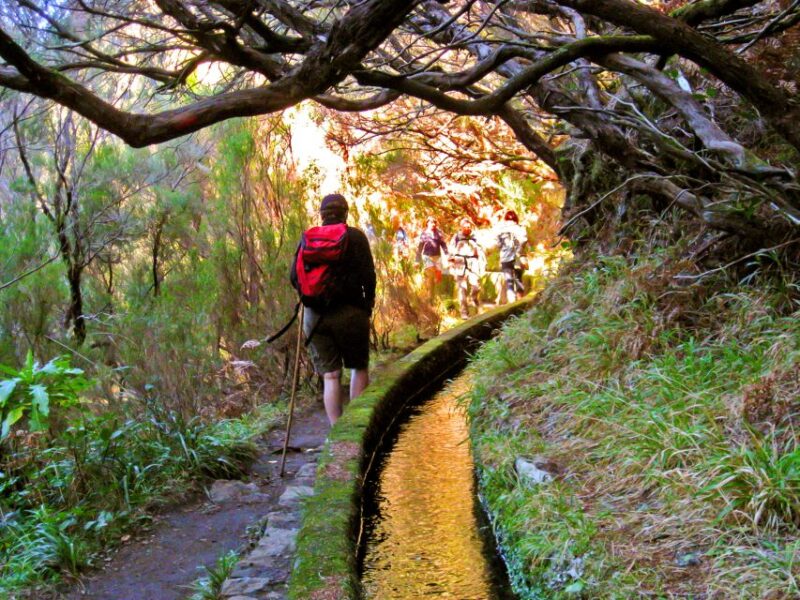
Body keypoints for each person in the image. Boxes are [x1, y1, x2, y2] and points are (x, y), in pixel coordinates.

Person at [291, 194, 376, 425]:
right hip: (351, 314)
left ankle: (336, 431)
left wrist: (311, 298)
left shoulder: (307, 239)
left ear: (322, 215)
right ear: (345, 213)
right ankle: (357, 426)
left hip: (315, 317)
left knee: (330, 375)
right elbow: (369, 276)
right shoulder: (355, 237)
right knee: (358, 367)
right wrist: (367, 305)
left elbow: (293, 277)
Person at [448, 217, 485, 319]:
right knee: (462, 289)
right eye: (465, 227)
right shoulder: (456, 237)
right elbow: (450, 250)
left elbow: (481, 249)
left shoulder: (474, 237)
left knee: (476, 286)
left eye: (469, 227)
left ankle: (473, 298)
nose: (467, 228)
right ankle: (464, 312)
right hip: (460, 263)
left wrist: (480, 259)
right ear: (461, 227)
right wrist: (451, 262)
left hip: (473, 263)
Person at [495, 209, 528, 303]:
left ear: (505, 218)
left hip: (505, 258)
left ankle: (512, 303)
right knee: (518, 279)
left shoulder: (500, 230)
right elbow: (524, 240)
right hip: (519, 257)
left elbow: (498, 244)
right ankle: (520, 302)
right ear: (516, 218)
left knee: (509, 281)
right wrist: (519, 249)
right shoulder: (520, 228)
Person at [416, 216, 448, 298]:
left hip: (437, 257)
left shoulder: (439, 233)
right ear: (427, 223)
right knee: (431, 273)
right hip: (427, 256)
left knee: (437, 279)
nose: (433, 224)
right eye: (431, 222)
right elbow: (420, 247)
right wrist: (417, 260)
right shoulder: (424, 233)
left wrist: (447, 254)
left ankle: (434, 297)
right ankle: (428, 296)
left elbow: (443, 244)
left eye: (434, 222)